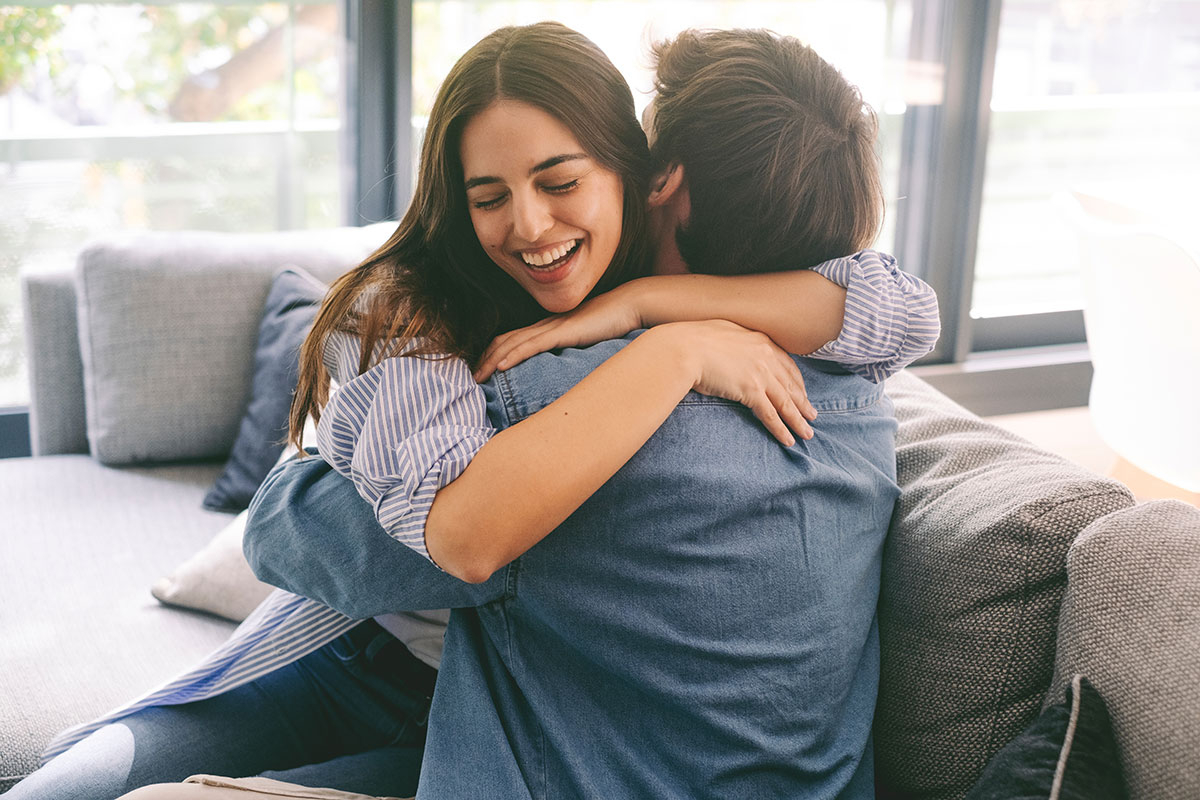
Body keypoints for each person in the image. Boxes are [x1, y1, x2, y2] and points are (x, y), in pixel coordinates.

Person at [9, 23, 933, 800]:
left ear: (644, 174)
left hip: (495, 712)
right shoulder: (418, 313)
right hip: (371, 663)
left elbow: (904, 305)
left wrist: (654, 317)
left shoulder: (702, 334)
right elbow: (304, 535)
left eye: (562, 182)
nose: (530, 225)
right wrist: (672, 344)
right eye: (489, 195)